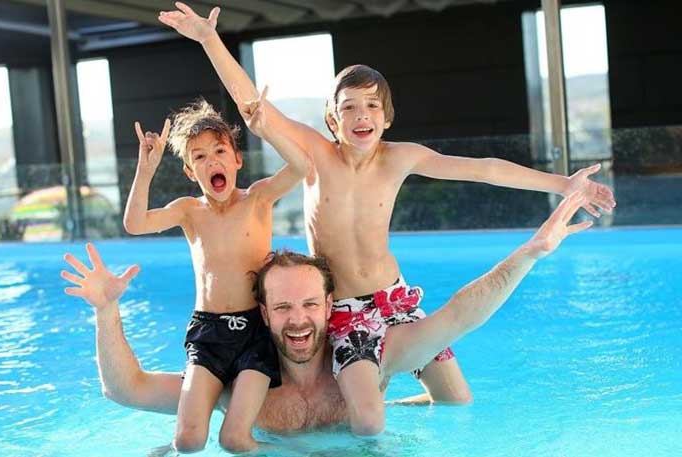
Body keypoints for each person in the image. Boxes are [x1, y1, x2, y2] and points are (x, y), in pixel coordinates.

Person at [157, 2, 617, 434]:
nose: (362, 115)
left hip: (396, 300)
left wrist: (562, 184)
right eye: (349, 107)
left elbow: (485, 169)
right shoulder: (317, 154)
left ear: (387, 117)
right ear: (332, 121)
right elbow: (251, 104)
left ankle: (388, 402)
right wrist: (208, 40)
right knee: (368, 421)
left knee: (456, 399)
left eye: (372, 105)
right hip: (346, 313)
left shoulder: (401, 157)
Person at [62, 191, 594, 439]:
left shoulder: (369, 361)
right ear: (263, 315)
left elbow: (458, 316)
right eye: (284, 307)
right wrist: (106, 312)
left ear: (329, 306)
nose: (299, 320)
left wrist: (531, 253)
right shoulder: (237, 384)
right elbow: (125, 390)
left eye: (310, 304)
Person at [114, 95, 309, 452]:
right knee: (188, 440)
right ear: (190, 171)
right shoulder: (189, 211)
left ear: (236, 160)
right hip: (209, 333)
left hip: (256, 333)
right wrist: (146, 168)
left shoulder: (258, 199)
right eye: (199, 157)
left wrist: (266, 129)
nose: (211, 162)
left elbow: (301, 165)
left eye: (219, 152)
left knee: (234, 439)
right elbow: (135, 223)